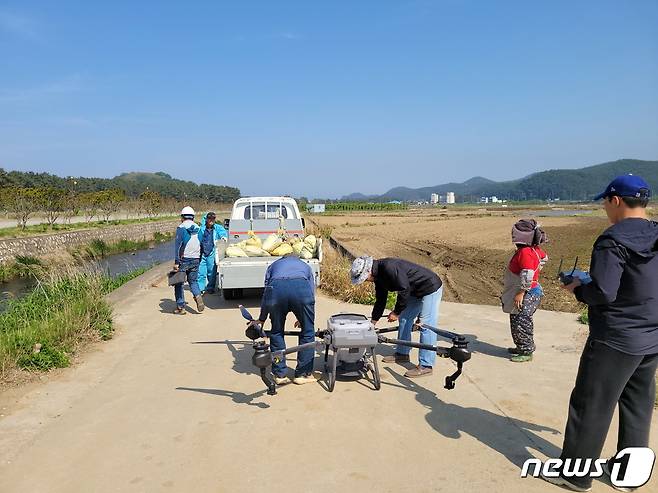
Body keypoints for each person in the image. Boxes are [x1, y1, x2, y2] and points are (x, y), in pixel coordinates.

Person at [543, 175, 658, 492]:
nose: (605, 209)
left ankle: (575, 474)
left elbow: (604, 292)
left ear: (615, 200)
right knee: (637, 405)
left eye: (605, 202)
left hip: (616, 337)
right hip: (650, 336)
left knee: (591, 403)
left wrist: (578, 288)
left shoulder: (613, 240)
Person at [350, 256, 443, 378]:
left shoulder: (389, 268)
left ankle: (426, 365)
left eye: (364, 278)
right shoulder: (378, 276)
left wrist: (396, 312)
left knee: (425, 325)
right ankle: (402, 353)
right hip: (414, 291)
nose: (365, 281)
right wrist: (373, 322)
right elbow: (381, 300)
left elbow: (404, 290)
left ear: (368, 271)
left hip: (430, 287)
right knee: (405, 319)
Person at [250, 254, 317, 385]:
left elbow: (267, 293)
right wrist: (304, 317)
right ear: (297, 258)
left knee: (276, 332)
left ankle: (279, 375)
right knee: (308, 332)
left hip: (276, 291)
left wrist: (262, 318)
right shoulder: (305, 266)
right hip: (301, 291)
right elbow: (311, 292)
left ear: (282, 259)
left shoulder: (273, 266)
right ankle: (302, 374)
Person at [500, 219, 548, 362]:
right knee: (516, 319)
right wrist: (538, 267)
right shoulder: (534, 250)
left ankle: (526, 351)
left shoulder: (525, 252)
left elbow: (527, 273)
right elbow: (544, 258)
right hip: (532, 290)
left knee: (522, 321)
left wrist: (521, 292)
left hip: (527, 293)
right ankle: (521, 346)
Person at [172, 206, 204, 315]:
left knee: (178, 283)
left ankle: (181, 307)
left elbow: (178, 245)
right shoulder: (198, 228)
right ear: (193, 217)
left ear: (182, 217)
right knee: (193, 281)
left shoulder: (181, 228)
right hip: (195, 259)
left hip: (183, 260)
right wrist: (199, 258)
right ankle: (198, 296)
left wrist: (176, 262)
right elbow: (202, 244)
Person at [197, 212, 228, 294]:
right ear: (206, 219)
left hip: (212, 252)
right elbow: (198, 239)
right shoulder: (201, 229)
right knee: (201, 272)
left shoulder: (217, 228)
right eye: (209, 218)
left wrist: (223, 237)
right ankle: (201, 289)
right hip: (202, 253)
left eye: (213, 218)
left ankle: (210, 287)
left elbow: (223, 233)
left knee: (211, 271)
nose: (211, 220)